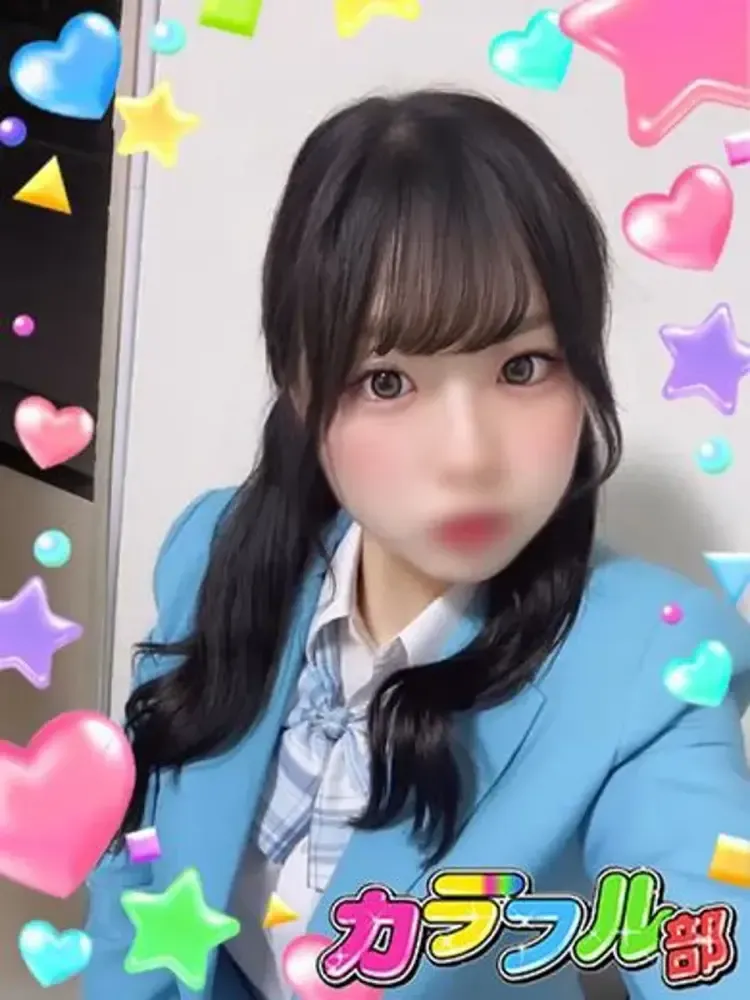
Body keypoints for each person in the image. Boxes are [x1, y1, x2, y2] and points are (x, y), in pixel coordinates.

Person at [84, 90, 750, 1000]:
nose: (469, 458)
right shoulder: (216, 549)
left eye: (523, 367)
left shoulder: (654, 666)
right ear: (300, 388)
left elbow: (711, 939)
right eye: (388, 381)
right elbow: (141, 857)